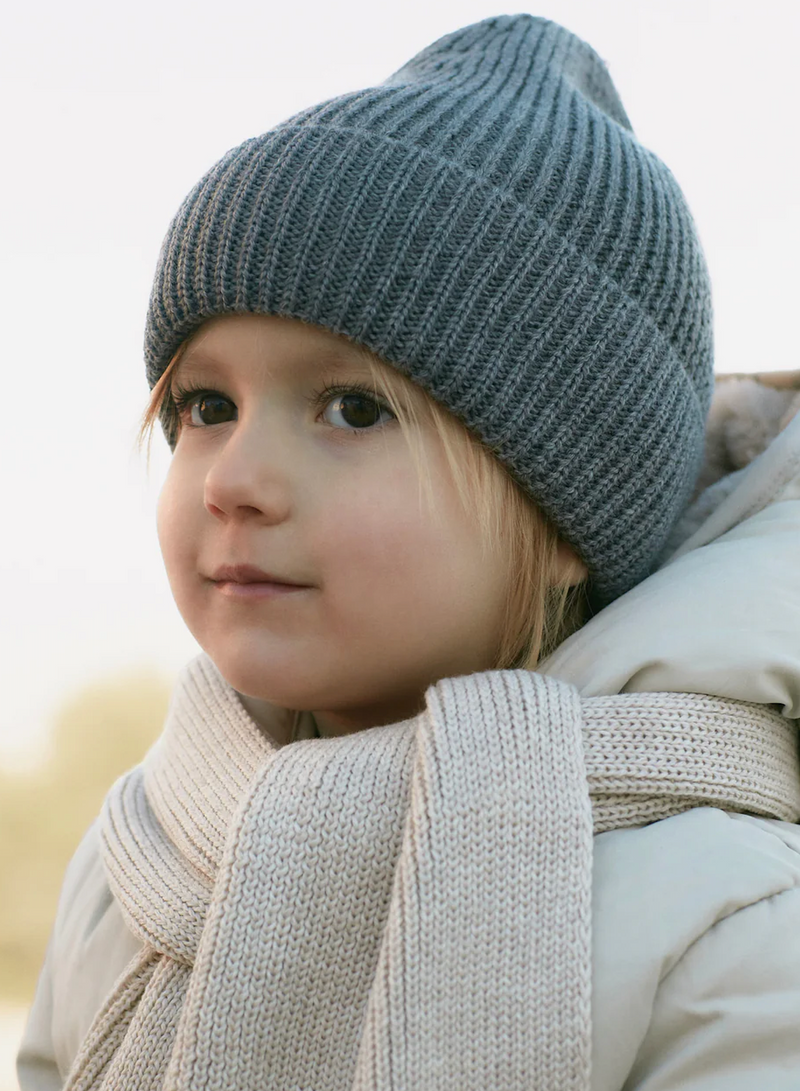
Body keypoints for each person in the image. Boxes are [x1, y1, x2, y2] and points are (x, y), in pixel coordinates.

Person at [16, 13, 800, 1090]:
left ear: (566, 508)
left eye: (350, 408)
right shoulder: (138, 859)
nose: (236, 478)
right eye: (206, 403)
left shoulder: (715, 911)